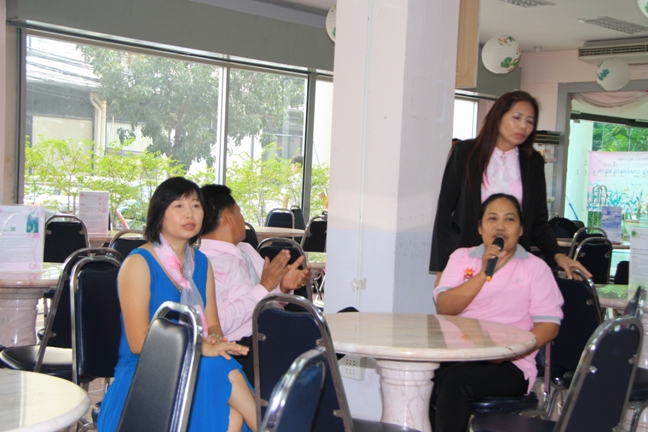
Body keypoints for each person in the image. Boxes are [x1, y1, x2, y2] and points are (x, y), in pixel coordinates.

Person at [98, 177, 257, 432]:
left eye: (196, 206)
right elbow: (138, 343)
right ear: (160, 214)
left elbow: (213, 324)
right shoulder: (139, 263)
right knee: (219, 376)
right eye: (179, 206)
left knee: (230, 405)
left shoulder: (201, 263)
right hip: (144, 371)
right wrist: (200, 348)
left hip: (193, 365)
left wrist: (215, 341)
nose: (189, 214)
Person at [429, 193, 563, 432]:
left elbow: (549, 326)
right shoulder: (461, 258)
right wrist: (483, 273)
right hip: (460, 354)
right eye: (492, 219)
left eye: (509, 219)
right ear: (480, 227)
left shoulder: (535, 268)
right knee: (424, 374)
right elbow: (445, 307)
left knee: (455, 380)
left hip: (510, 364)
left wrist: (511, 350)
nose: (500, 226)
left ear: (520, 230)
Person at [430, 90, 590, 282]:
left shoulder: (533, 162)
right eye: (517, 118)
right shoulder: (466, 153)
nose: (523, 126)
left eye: (530, 121)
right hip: (468, 257)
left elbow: (538, 221)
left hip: (513, 259)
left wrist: (557, 255)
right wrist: (442, 267)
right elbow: (445, 212)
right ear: (498, 117)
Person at [199, 184, 311, 382]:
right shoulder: (206, 263)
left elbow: (268, 295)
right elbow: (219, 323)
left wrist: (283, 287)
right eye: (239, 212)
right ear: (228, 217)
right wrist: (264, 286)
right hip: (244, 348)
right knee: (322, 342)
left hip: (271, 331)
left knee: (328, 332)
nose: (243, 219)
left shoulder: (245, 250)